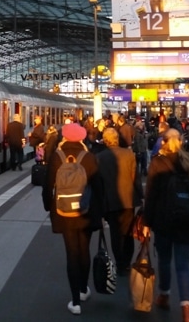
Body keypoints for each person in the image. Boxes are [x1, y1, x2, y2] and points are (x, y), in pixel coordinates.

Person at [142, 128, 189, 322]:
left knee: (165, 260)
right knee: (183, 265)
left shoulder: (158, 163)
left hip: (164, 220)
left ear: (164, 142)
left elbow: (150, 196)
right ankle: (186, 310)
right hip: (187, 222)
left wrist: (147, 222)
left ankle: (164, 295)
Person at [42, 122, 101, 315]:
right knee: (84, 251)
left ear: (65, 137)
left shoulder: (57, 157)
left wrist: (48, 207)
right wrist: (99, 212)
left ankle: (75, 302)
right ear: (82, 137)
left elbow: (47, 186)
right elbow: (99, 188)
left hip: (63, 213)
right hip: (85, 212)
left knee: (72, 254)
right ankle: (84, 290)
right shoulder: (90, 158)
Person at [97, 126, 143, 275]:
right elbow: (135, 177)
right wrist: (140, 196)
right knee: (128, 231)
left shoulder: (100, 157)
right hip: (128, 199)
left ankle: (120, 263)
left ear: (105, 141)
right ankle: (127, 262)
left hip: (110, 201)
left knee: (115, 234)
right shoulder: (129, 154)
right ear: (117, 139)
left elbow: (99, 182)